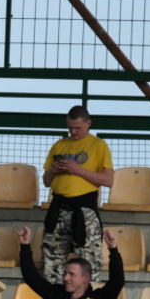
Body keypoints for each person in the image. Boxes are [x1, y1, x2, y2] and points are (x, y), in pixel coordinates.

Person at [41, 105, 114, 283]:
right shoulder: (59, 145)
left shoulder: (98, 146)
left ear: (89, 124)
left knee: (88, 261)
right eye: (70, 128)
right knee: (52, 262)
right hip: (58, 207)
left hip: (84, 209)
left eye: (78, 128)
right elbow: (46, 181)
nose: (73, 132)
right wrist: (53, 170)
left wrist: (77, 170)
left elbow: (108, 180)